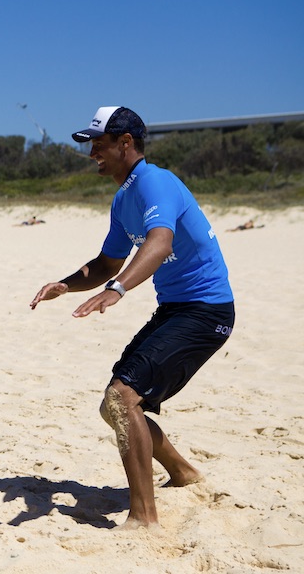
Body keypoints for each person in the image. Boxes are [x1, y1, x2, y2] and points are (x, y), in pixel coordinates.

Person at [29, 107, 235, 529]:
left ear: (126, 143)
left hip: (206, 309)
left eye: (98, 145)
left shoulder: (155, 182)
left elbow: (159, 243)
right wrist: (66, 285)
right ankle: (183, 472)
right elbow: (107, 262)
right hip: (177, 309)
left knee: (122, 398)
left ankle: (144, 519)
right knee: (117, 404)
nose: (92, 155)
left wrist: (118, 290)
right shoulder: (124, 198)